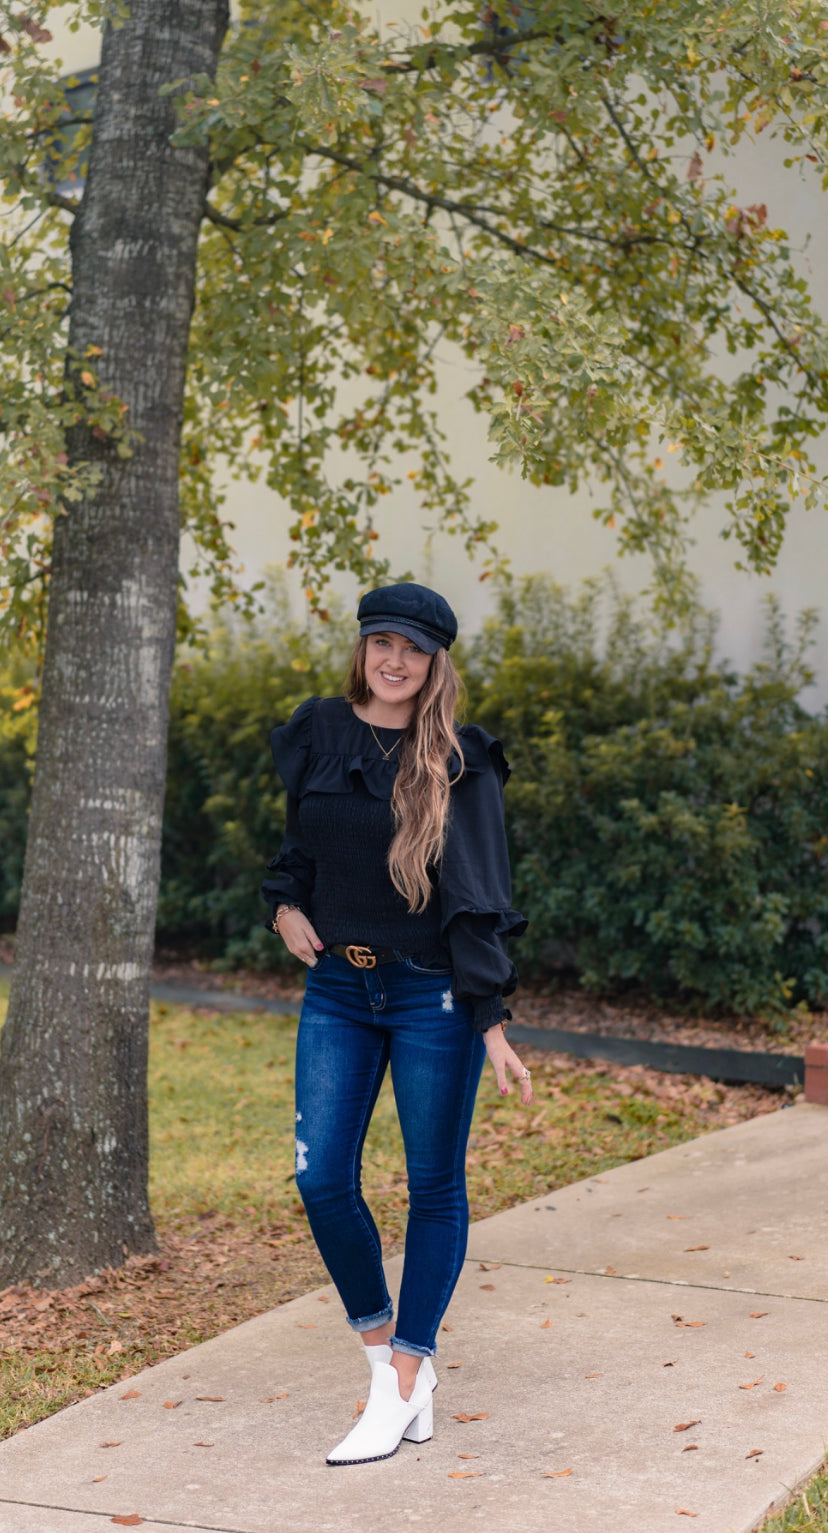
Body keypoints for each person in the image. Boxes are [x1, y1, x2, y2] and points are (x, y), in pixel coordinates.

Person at [262, 582, 533, 1466]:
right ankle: (389, 1364)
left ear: (434, 660)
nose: (395, 659)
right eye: (383, 641)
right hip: (339, 989)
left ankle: (410, 1376)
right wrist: (284, 907)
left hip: (432, 997)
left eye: (413, 648)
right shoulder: (320, 730)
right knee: (321, 1179)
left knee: (434, 1186)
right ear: (364, 646)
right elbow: (300, 847)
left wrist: (490, 1021)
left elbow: (479, 896)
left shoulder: (460, 758)